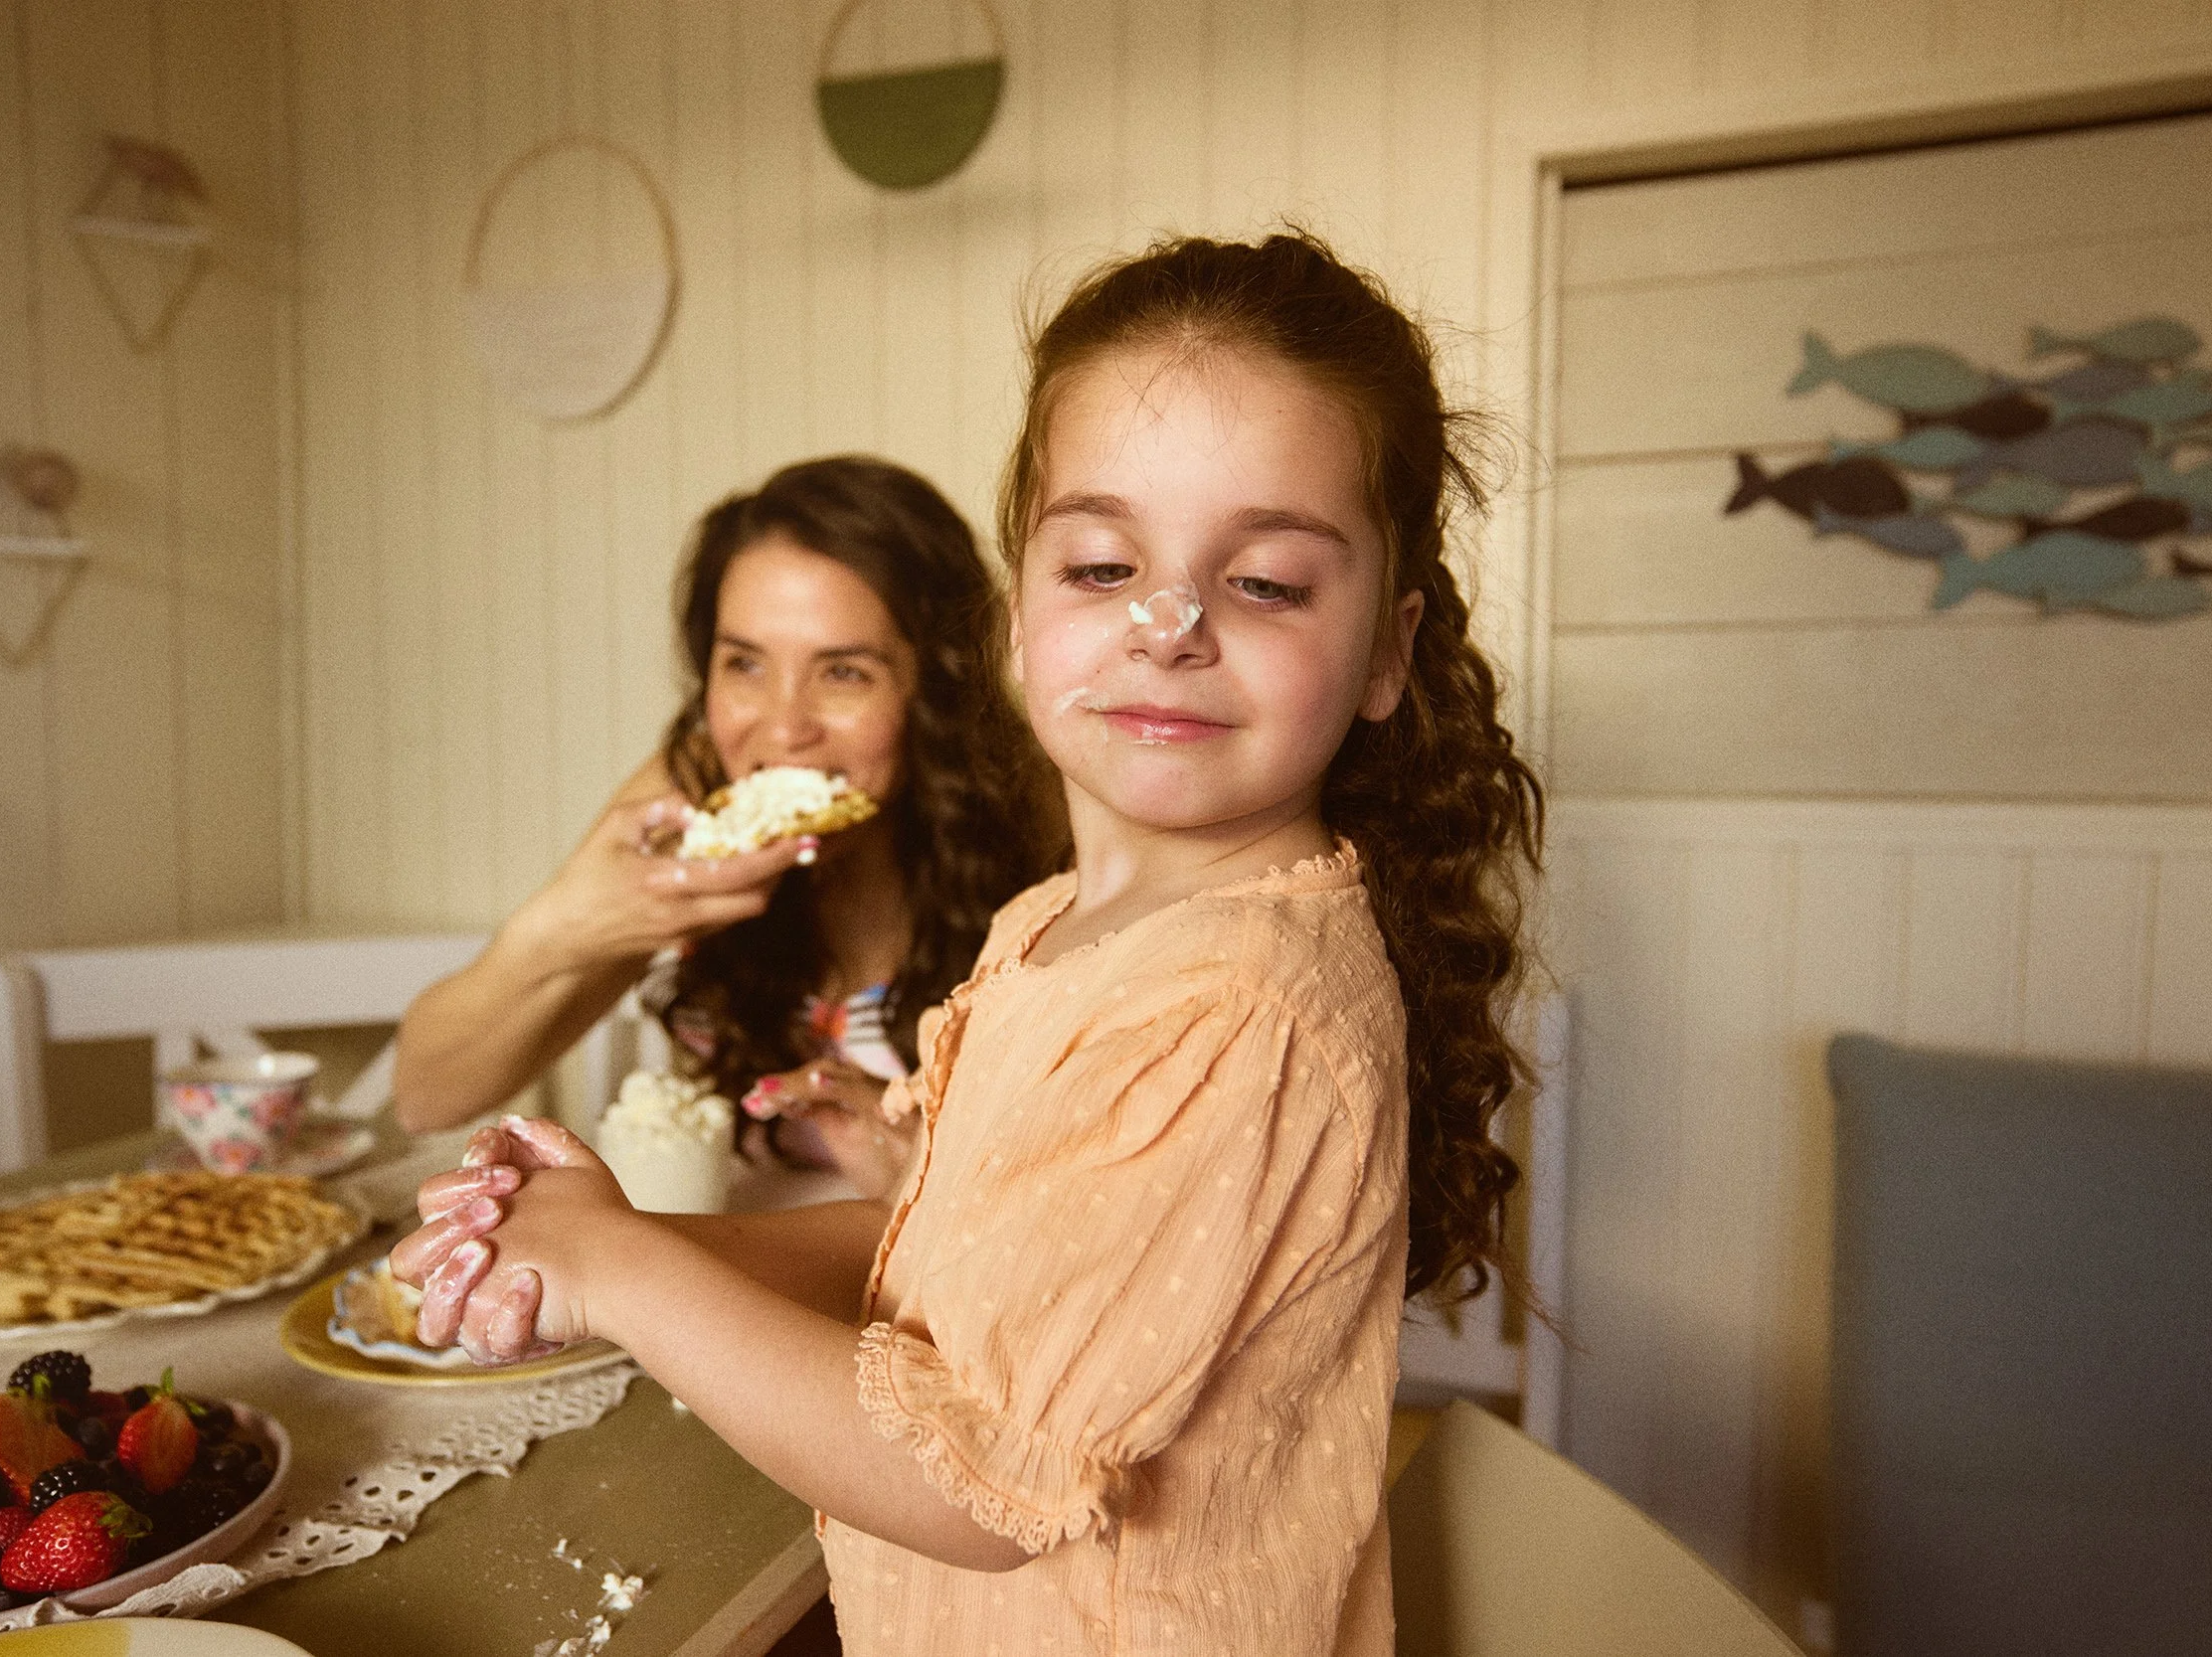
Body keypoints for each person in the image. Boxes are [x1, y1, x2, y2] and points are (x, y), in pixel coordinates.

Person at [391, 232, 1544, 1656]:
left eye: (1267, 582)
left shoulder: (1245, 1005)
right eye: (1106, 561)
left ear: (1388, 650)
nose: (1168, 625)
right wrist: (628, 1248)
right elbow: (949, 1262)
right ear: (1018, 616)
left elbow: (982, 1479)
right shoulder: (1057, 922)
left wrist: (628, 1274)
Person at [392, 455, 1051, 1199]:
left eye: (844, 672)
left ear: (937, 686)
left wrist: (915, 1182)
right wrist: (570, 923)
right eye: (744, 664)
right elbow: (426, 1095)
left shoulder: (1040, 822)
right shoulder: (694, 794)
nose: (782, 728)